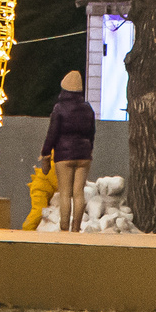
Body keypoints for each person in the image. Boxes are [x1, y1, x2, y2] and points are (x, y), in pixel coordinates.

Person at [41, 69, 96, 236]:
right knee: (78, 193)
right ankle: (76, 227)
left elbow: (52, 133)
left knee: (65, 193)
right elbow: (92, 132)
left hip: (64, 156)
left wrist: (46, 152)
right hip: (84, 155)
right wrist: (89, 149)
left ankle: (64, 228)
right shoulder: (88, 108)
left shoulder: (59, 108)